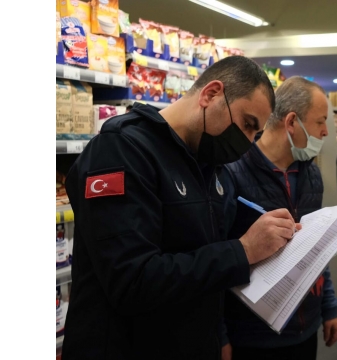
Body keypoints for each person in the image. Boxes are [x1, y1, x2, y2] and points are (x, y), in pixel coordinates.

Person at [62, 56, 301, 360]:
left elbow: (204, 253)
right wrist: (243, 251)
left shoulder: (214, 167)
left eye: (256, 133)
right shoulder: (122, 150)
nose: (249, 142)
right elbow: (132, 281)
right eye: (247, 124)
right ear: (211, 94)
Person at [218, 77, 337, 360]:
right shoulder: (232, 173)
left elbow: (316, 250)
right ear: (291, 122)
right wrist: (220, 334)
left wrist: (329, 307)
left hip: (305, 330)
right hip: (252, 337)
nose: (325, 133)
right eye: (320, 122)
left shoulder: (311, 175)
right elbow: (218, 257)